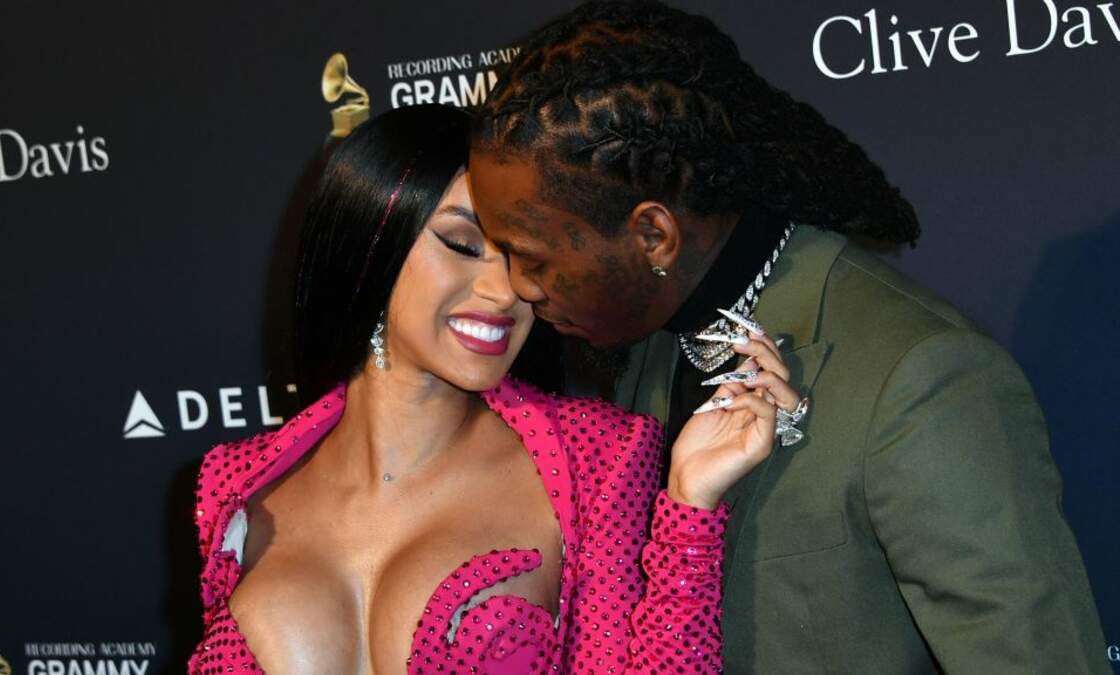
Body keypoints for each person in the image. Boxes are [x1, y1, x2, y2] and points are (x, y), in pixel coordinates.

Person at [465, 1, 1111, 673]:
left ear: (654, 234)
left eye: (533, 259)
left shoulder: (918, 380)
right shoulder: (649, 350)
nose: (518, 287)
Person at [188, 103, 803, 674]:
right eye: (461, 244)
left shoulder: (598, 458)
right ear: (370, 242)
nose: (506, 291)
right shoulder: (232, 484)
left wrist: (689, 512)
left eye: (523, 257)